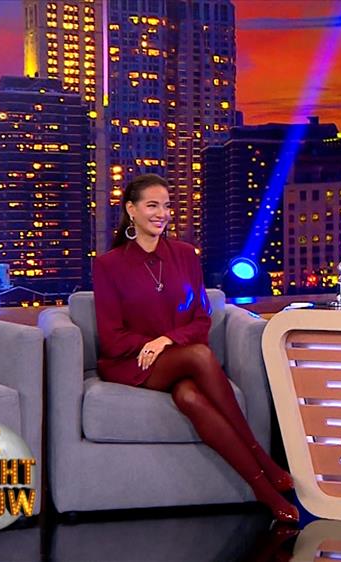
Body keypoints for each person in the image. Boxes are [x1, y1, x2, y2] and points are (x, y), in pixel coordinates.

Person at [93, 174, 298, 523]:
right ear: (131, 210)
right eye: (152, 205)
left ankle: (265, 494)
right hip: (134, 362)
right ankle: (264, 460)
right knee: (201, 355)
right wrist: (151, 345)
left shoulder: (186, 255)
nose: (162, 214)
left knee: (190, 398)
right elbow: (112, 337)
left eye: (166, 206)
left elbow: (202, 319)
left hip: (178, 357)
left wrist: (166, 340)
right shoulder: (108, 264)